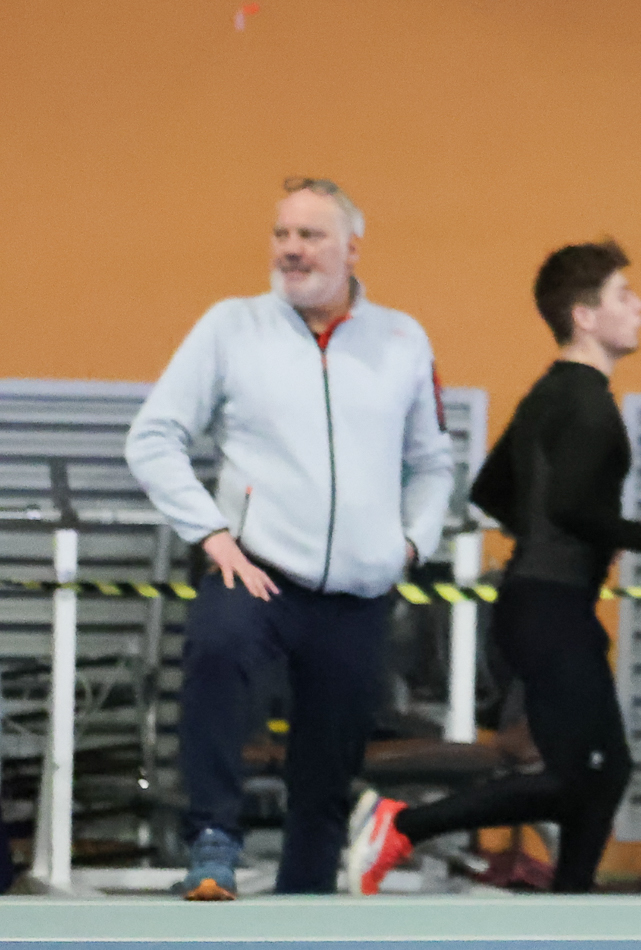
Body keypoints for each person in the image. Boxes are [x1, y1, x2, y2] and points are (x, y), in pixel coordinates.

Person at [125, 179, 457, 900]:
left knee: (328, 766)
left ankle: (306, 893)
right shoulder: (231, 327)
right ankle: (213, 840)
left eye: (310, 235)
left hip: (359, 587)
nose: (292, 249)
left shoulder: (403, 340)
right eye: (282, 234)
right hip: (256, 567)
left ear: (352, 248)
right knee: (217, 652)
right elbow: (152, 437)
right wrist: (212, 535)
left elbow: (433, 463)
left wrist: (409, 544)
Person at [343, 243, 641, 895]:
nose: (639, 307)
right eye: (623, 295)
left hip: (541, 605)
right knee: (578, 775)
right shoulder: (588, 405)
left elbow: (492, 491)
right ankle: (402, 824)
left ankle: (571, 905)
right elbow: (572, 505)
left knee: (601, 773)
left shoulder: (550, 393)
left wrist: (554, 541)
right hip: (550, 611)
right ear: (584, 316)